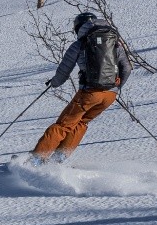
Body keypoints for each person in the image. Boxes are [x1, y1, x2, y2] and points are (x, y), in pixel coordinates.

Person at [32, 11, 131, 162]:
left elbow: (64, 71)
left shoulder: (79, 44)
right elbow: (127, 68)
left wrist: (54, 83)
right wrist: (116, 88)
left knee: (63, 125)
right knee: (81, 123)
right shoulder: (114, 42)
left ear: (78, 27)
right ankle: (59, 158)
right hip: (109, 96)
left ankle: (36, 160)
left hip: (89, 93)